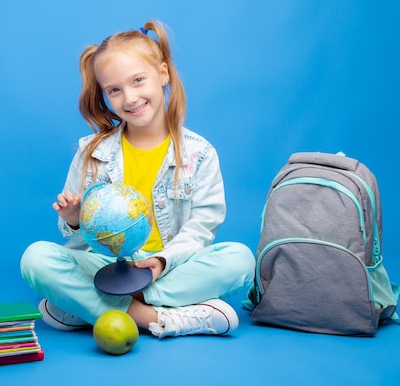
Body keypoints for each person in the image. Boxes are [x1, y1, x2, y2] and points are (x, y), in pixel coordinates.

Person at [20, 20, 255, 338]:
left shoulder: (200, 154)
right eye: (114, 90)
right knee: (35, 258)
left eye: (138, 81)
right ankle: (156, 317)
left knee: (240, 260)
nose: (129, 98)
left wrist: (160, 261)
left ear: (162, 74)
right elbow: (75, 240)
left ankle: (83, 307)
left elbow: (201, 229)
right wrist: (75, 221)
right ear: (104, 94)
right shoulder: (91, 152)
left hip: (167, 268)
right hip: (106, 267)